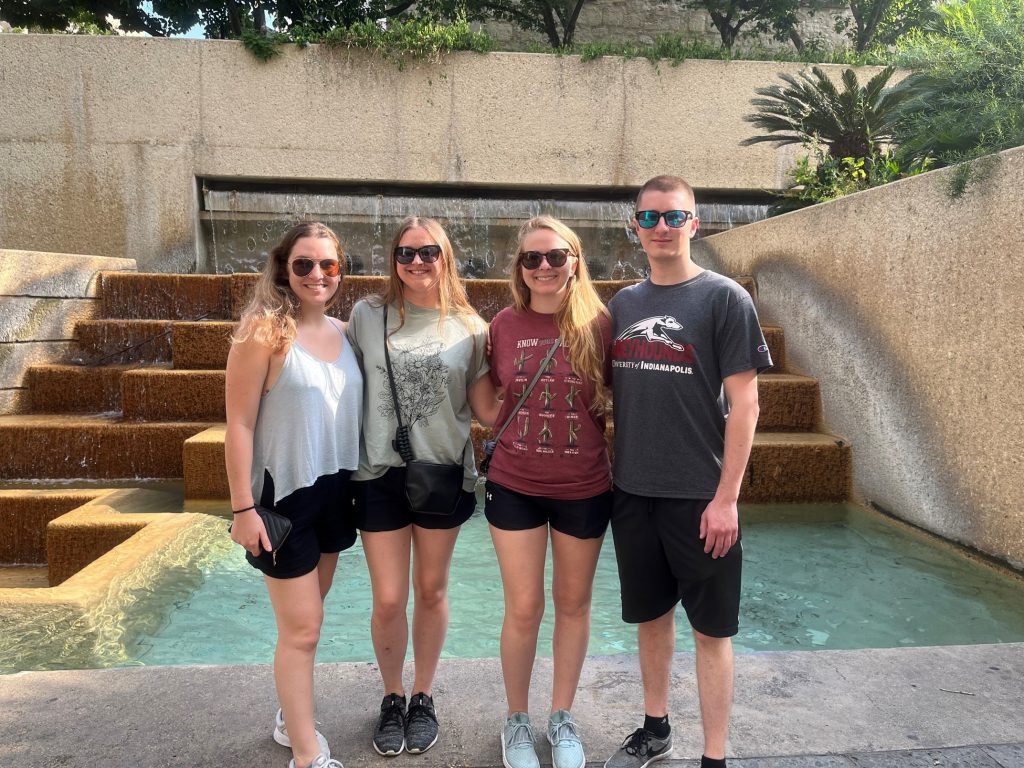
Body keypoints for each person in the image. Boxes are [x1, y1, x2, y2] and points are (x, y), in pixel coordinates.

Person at [604, 176, 772, 768]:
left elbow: (746, 406)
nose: (661, 229)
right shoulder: (623, 305)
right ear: (636, 228)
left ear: (694, 224)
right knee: (651, 619)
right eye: (649, 219)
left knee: (711, 632)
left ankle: (715, 757)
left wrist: (726, 499)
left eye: (673, 217)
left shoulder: (725, 299)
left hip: (701, 498)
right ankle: (655, 726)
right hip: (633, 494)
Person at [346, 216, 495, 758]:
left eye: (428, 252)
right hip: (378, 473)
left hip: (443, 472)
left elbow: (486, 410)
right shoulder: (367, 315)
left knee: (430, 591)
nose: (416, 262)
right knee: (389, 597)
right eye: (406, 253)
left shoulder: (472, 327)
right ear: (393, 259)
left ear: (445, 256)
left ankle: (423, 695)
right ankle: (391, 697)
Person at [225, 221, 362, 768]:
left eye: (327, 264)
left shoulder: (347, 331)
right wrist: (241, 509)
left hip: (335, 491)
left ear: (339, 271)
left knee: (310, 619)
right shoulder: (263, 332)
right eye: (303, 264)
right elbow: (237, 424)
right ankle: (307, 754)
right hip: (283, 501)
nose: (316, 274)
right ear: (284, 268)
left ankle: (291, 712)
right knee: (302, 629)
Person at [483, 215, 614, 768]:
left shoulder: (602, 325)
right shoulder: (501, 326)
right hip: (515, 483)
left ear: (574, 261)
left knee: (573, 603)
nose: (543, 267)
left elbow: (618, 401)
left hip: (584, 485)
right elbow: (489, 403)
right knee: (524, 606)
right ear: (519, 268)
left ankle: (562, 718)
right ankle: (517, 721)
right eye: (531, 259)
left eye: (555, 257)